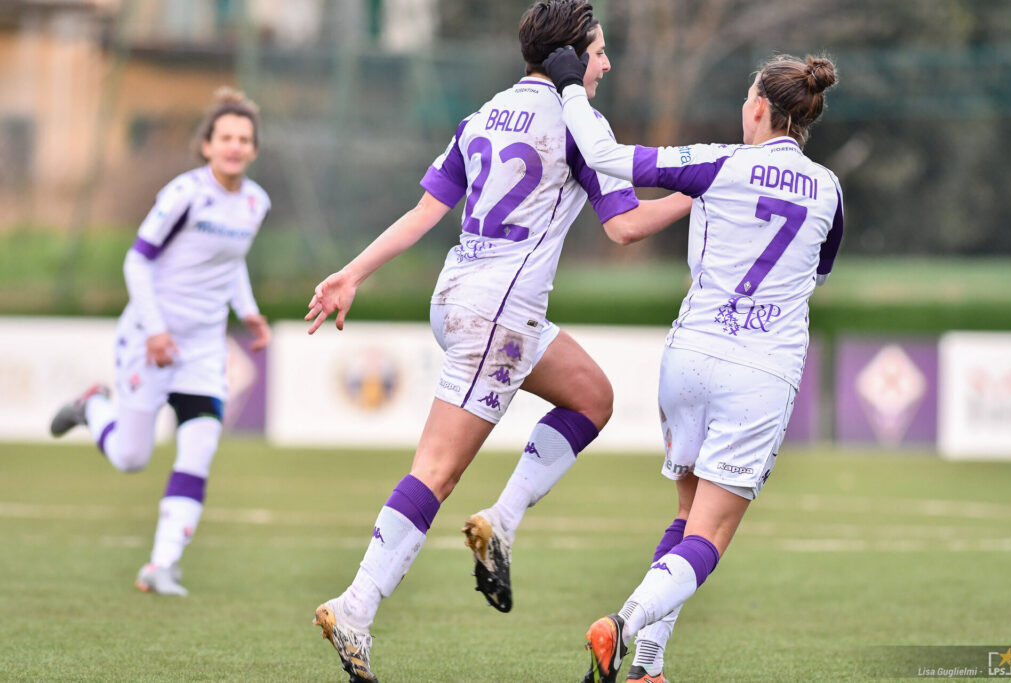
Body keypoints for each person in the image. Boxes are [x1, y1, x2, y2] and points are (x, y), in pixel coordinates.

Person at [305, 2, 692, 680]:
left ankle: (503, 520)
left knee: (591, 397)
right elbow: (624, 228)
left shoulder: (483, 114)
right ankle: (357, 606)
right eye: (598, 51)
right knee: (438, 469)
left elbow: (426, 211)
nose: (606, 63)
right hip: (500, 315)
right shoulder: (578, 124)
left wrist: (351, 272)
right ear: (572, 57)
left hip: (458, 297)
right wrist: (703, 189)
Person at [542, 47, 843, 682]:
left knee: (684, 519)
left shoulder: (717, 163)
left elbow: (609, 160)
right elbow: (814, 272)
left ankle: (649, 668)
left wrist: (570, 88)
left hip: (690, 360)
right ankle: (623, 625)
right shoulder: (830, 191)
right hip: (760, 371)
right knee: (709, 536)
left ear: (758, 107)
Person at [49, 87, 272, 597]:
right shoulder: (183, 195)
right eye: (226, 138)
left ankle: (161, 565)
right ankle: (93, 408)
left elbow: (229, 262)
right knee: (131, 458)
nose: (235, 147)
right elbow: (137, 260)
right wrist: (154, 330)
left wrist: (251, 312)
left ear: (254, 149)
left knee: (200, 447)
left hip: (201, 350)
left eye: (244, 139)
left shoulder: (256, 202)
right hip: (149, 338)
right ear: (207, 145)